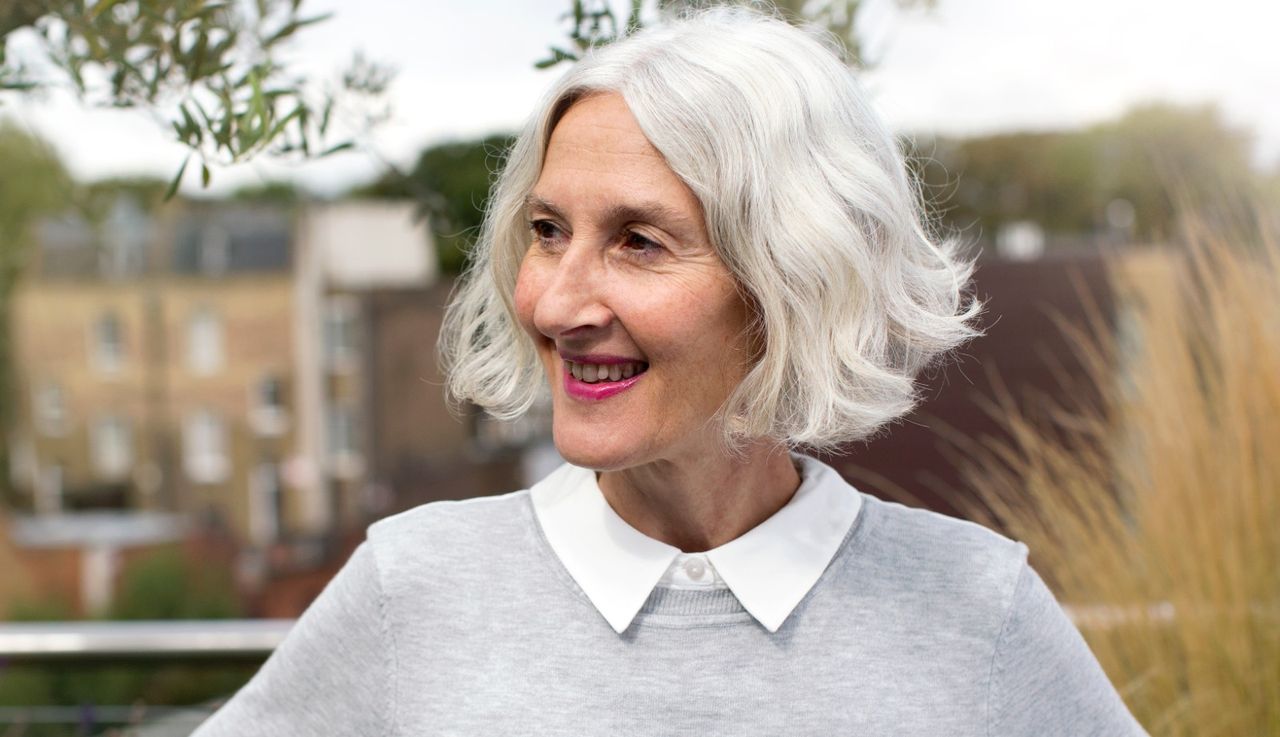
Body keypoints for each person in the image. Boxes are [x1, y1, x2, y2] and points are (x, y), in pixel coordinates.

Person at [193, 7, 1147, 736]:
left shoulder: (976, 609)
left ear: (792, 279)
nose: (557, 304)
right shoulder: (416, 587)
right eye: (548, 231)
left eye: (640, 242)